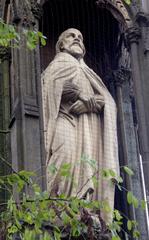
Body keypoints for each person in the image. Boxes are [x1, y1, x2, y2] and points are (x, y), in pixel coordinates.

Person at [42, 28, 119, 222]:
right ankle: (57, 213)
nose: (77, 39)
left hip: (89, 128)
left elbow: (108, 101)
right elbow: (47, 88)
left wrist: (88, 103)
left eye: (80, 38)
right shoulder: (56, 65)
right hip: (64, 121)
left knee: (89, 166)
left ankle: (86, 213)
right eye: (71, 36)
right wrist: (77, 93)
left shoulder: (89, 72)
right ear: (61, 44)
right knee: (63, 160)